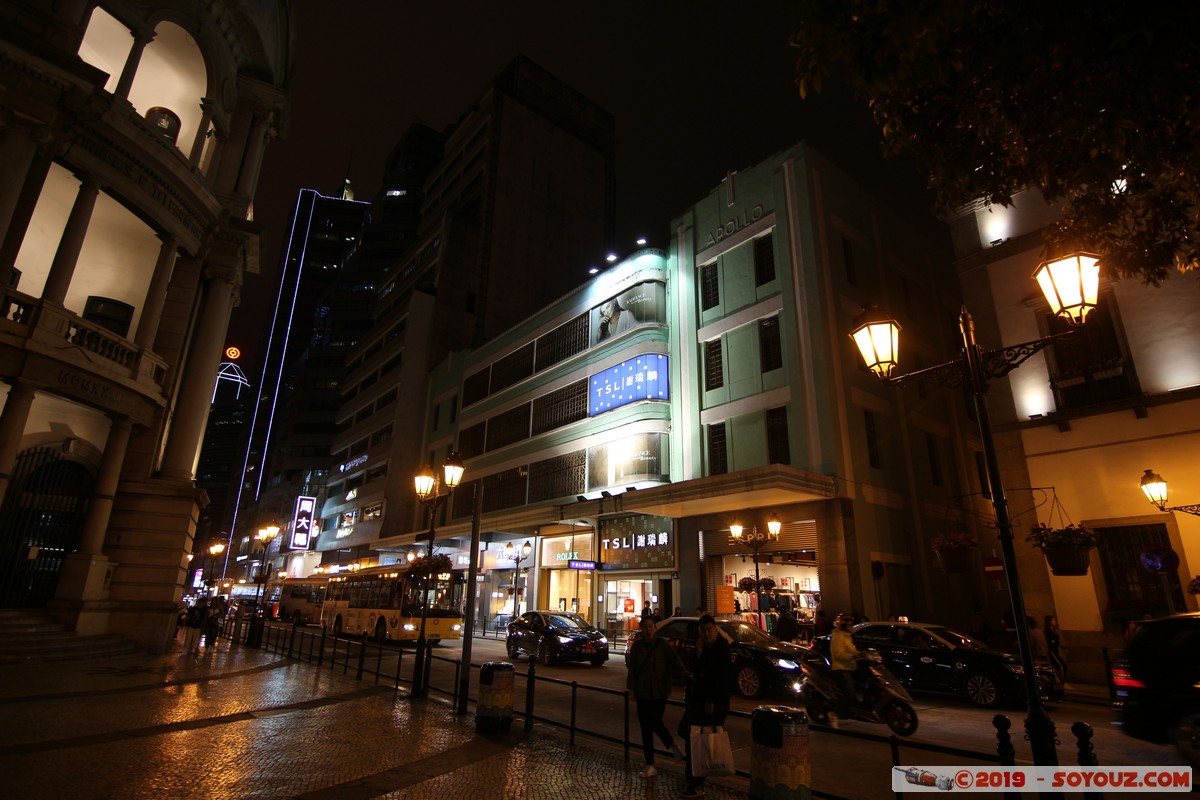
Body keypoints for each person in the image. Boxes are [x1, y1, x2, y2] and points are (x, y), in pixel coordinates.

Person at [679, 614, 732, 798]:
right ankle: (692, 776)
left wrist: (711, 702)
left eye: (709, 630)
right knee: (689, 735)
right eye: (703, 630)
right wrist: (698, 654)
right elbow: (696, 671)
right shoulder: (704, 649)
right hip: (699, 701)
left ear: (716, 630)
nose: (706, 633)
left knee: (701, 742)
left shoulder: (722, 649)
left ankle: (697, 782)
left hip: (713, 704)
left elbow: (720, 680)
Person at [626, 617, 687, 779]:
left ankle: (672, 747)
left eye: (651, 626)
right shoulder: (637, 647)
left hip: (660, 691)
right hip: (642, 692)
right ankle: (650, 764)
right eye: (645, 627)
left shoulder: (663, 645)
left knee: (654, 722)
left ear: (655, 628)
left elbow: (675, 662)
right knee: (646, 728)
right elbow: (632, 669)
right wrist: (631, 688)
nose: (648, 630)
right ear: (641, 628)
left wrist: (685, 674)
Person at [829, 613, 861, 729]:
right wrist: (851, 657)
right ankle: (835, 713)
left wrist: (858, 654)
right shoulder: (838, 637)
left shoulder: (847, 636)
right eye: (849, 624)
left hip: (850, 666)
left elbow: (853, 650)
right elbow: (838, 653)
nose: (851, 626)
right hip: (841, 667)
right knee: (850, 693)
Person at [1044, 614, 1067, 679]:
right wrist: (1055, 641)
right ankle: (1059, 679)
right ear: (1049, 621)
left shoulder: (1053, 630)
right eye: (1053, 620)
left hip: (1055, 651)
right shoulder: (1048, 631)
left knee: (1060, 666)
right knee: (1061, 666)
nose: (1054, 622)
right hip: (1052, 652)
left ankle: (1058, 679)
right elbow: (1050, 642)